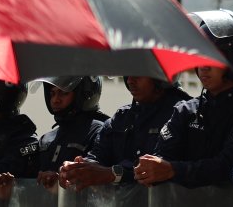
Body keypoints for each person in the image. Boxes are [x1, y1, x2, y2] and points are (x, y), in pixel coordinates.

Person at [135, 9, 233, 188]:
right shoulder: (186, 109)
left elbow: (228, 164)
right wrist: (151, 168)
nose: (203, 65)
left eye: (213, 56)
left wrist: (173, 170)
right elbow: (163, 157)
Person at [57, 75, 191, 190]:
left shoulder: (184, 115)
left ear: (159, 76)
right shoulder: (121, 117)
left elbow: (159, 168)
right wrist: (77, 169)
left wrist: (113, 174)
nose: (130, 81)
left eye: (137, 74)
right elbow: (98, 155)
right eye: (127, 75)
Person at [27, 76, 109, 189]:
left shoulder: (99, 131)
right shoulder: (46, 139)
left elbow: (99, 186)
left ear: (84, 94)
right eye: (52, 93)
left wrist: (63, 180)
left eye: (64, 93)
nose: (55, 100)